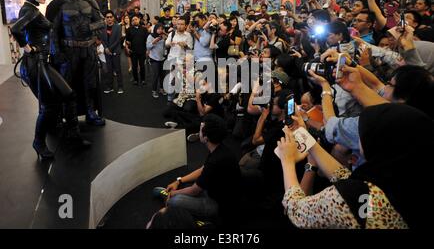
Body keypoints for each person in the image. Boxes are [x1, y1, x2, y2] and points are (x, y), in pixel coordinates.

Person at [275, 103, 434, 228]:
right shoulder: (403, 176)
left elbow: (297, 211)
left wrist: (287, 160)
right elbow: (343, 176)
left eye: (361, 132)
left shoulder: (355, 196)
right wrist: (303, 135)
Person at [11, 0, 73, 160]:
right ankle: (38, 142)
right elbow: (16, 29)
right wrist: (28, 48)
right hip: (35, 65)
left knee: (67, 93)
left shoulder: (33, 10)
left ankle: (56, 127)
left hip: (42, 63)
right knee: (48, 106)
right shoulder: (30, 10)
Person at [47, 0, 106, 146]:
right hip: (69, 50)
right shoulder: (58, 6)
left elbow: (102, 22)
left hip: (88, 50)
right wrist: (56, 52)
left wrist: (90, 28)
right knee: (68, 87)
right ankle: (70, 121)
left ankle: (90, 112)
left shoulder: (88, 2)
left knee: (89, 84)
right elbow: (52, 31)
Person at [158, 114, 241, 225]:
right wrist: (179, 181)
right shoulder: (220, 149)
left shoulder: (216, 161)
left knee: (174, 201)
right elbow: (203, 169)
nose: (199, 131)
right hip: (218, 193)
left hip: (218, 205)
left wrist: (173, 193)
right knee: (185, 187)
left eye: (201, 129)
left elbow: (194, 190)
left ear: (206, 138)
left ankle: (200, 222)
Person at [102, 10, 124, 94]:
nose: (109, 19)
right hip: (107, 52)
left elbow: (118, 40)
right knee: (109, 70)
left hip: (115, 52)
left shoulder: (118, 27)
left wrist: (109, 49)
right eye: (107, 17)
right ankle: (110, 87)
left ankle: (120, 87)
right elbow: (102, 40)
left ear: (113, 18)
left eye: (111, 17)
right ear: (105, 18)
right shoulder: (103, 28)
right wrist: (105, 48)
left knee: (118, 70)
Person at [126, 15, 149, 86]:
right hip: (133, 51)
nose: (134, 21)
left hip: (142, 51)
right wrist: (128, 47)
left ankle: (143, 80)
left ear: (139, 20)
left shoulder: (144, 29)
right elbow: (127, 40)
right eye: (133, 20)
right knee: (134, 66)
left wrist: (147, 50)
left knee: (142, 66)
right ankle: (135, 80)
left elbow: (147, 41)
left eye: (136, 19)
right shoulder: (129, 29)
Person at [146, 23, 167, 98]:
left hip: (162, 58)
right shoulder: (151, 36)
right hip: (154, 58)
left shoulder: (163, 36)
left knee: (162, 75)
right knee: (155, 75)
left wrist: (165, 38)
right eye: (158, 29)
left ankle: (161, 89)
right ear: (155, 29)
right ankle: (154, 90)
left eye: (161, 29)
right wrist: (154, 42)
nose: (160, 30)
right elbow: (148, 47)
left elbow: (165, 46)